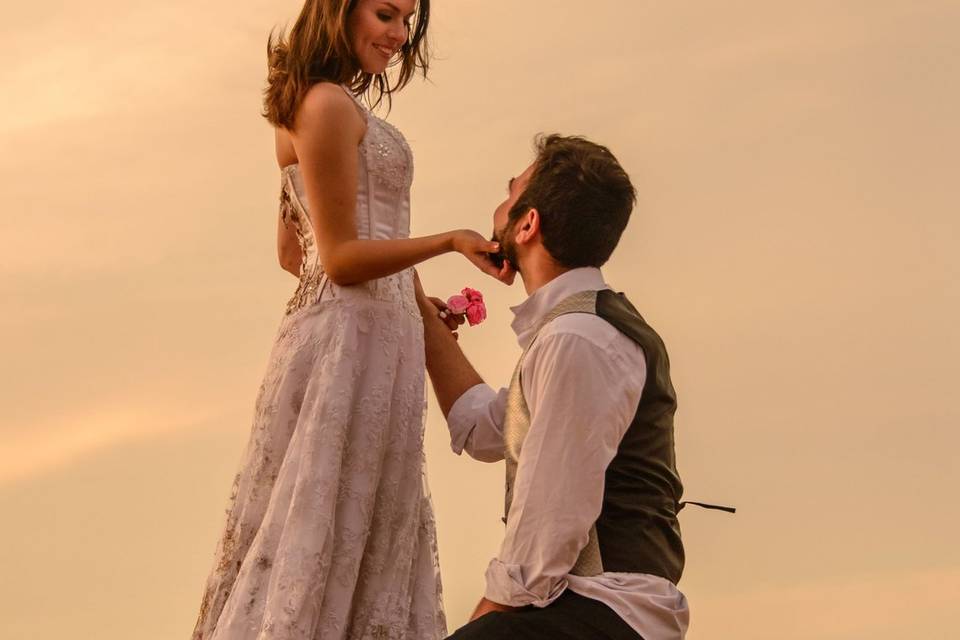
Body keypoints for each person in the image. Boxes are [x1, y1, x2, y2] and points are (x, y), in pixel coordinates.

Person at [191, 1, 507, 638]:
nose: (398, 35)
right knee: (326, 517)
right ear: (339, 9)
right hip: (347, 348)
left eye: (406, 21)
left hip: (363, 336)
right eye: (386, 14)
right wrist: (446, 241)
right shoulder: (328, 105)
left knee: (346, 518)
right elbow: (335, 260)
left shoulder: (308, 106)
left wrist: (410, 302)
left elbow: (293, 255)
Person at [417, 134, 692, 640]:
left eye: (511, 190)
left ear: (527, 223)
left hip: (607, 608)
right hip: (579, 603)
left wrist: (487, 614)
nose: (497, 205)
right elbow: (485, 430)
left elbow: (552, 517)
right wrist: (423, 320)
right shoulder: (573, 331)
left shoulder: (579, 339)